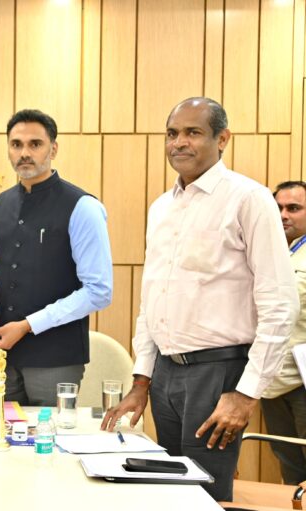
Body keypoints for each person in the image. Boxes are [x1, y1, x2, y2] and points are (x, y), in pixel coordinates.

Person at [102, 97, 298, 501]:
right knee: (170, 492)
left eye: (193, 132)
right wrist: (141, 381)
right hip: (166, 375)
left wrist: (246, 394)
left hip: (218, 372)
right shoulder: (161, 208)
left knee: (206, 496)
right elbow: (152, 301)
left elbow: (280, 303)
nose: (179, 142)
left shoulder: (249, 198)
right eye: (172, 133)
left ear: (222, 139)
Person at [0, 109, 113, 405]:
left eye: (35, 144)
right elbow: (6, 263)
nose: (25, 153)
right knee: (0, 430)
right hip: (2, 351)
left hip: (55, 356)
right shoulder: (0, 203)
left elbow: (99, 291)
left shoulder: (82, 207)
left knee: (49, 434)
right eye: (16, 144)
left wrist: (27, 325)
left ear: (53, 149)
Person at [261, 181, 306, 484]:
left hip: (302, 380)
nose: (283, 215)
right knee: (289, 465)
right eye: (278, 208)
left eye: (293, 208)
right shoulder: (270, 251)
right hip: (272, 379)